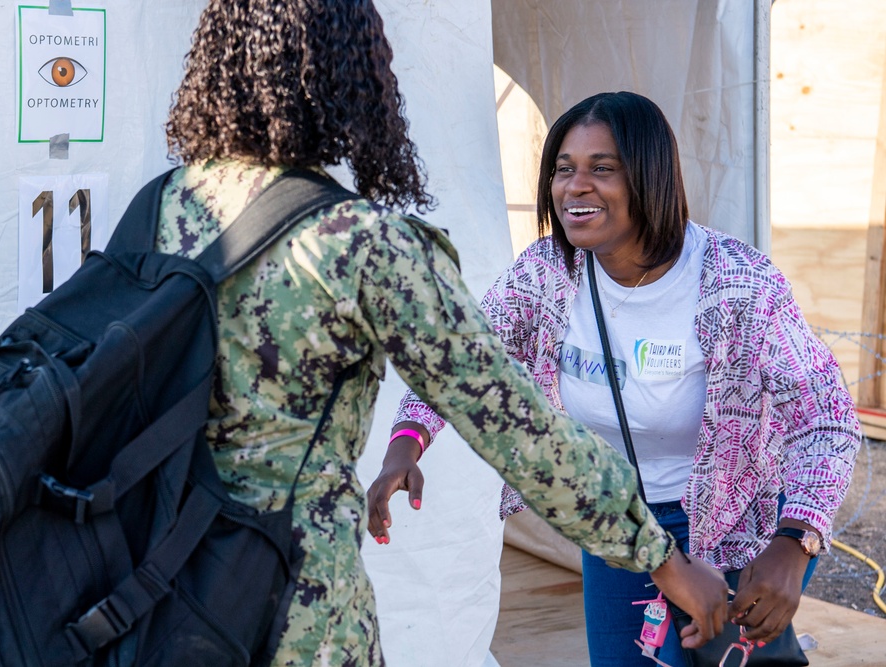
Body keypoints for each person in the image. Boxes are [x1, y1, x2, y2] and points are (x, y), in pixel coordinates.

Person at [160, 6, 729, 665]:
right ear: (354, 75)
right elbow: (513, 420)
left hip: (171, 570)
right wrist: (658, 555)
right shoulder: (364, 243)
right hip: (295, 597)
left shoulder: (167, 207)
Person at [367, 90, 862, 665]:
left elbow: (824, 418)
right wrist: (406, 444)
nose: (575, 186)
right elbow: (463, 360)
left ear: (650, 177)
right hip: (616, 524)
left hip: (736, 529)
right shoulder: (546, 273)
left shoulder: (737, 281)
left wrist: (794, 543)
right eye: (563, 169)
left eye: (601, 169)